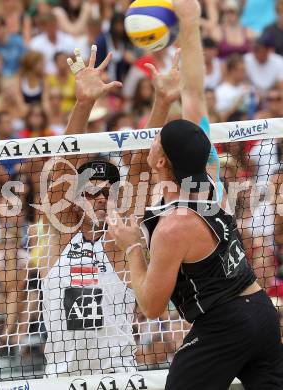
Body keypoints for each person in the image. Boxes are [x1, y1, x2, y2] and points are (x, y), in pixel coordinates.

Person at [107, 0, 283, 389]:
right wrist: (189, 22)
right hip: (260, 312)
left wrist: (132, 247)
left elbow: (152, 306)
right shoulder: (210, 177)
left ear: (161, 162)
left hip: (225, 324)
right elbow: (195, 95)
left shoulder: (174, 227)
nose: (153, 141)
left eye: (157, 142)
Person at [38, 42, 181, 376]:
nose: (100, 198)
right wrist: (84, 103)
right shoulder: (60, 236)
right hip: (61, 380)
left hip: (118, 376)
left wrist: (162, 102)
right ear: (75, 197)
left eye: (107, 192)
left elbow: (141, 169)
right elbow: (60, 168)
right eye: (91, 192)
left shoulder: (119, 242)